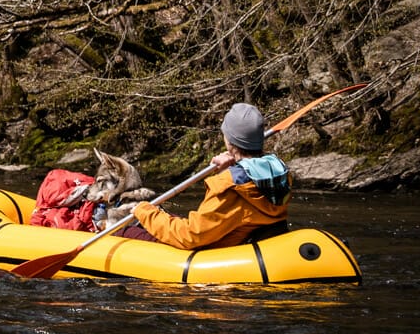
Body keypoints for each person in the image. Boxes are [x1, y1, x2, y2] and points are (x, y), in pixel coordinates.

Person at [113, 102, 291, 248]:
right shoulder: (276, 171)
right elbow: (241, 211)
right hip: (244, 237)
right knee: (169, 217)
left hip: (214, 248)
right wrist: (232, 166)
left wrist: (143, 211)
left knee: (124, 231)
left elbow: (191, 236)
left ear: (229, 140)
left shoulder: (228, 185)